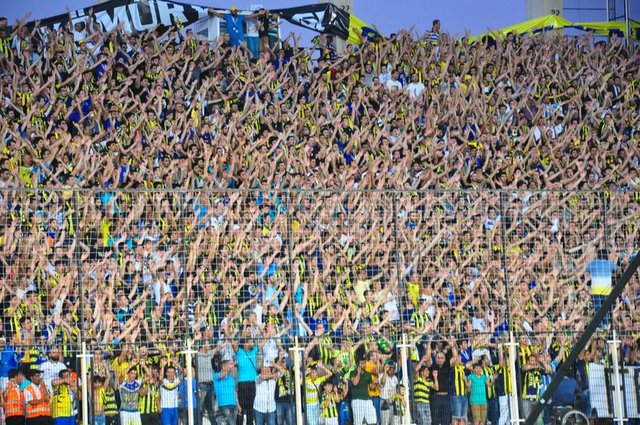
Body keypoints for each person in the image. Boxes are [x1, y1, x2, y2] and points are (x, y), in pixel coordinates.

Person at [586, 248, 618, 327]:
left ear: (598, 255)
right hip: (607, 290)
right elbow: (616, 268)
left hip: (595, 290)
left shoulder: (593, 263)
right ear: (607, 255)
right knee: (605, 309)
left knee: (597, 309)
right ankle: (605, 325)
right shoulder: (610, 264)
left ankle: (599, 326)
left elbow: (587, 269)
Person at [351, 359, 377, 425]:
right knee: (358, 422)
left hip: (367, 399)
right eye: (362, 363)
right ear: (358, 364)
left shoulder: (368, 374)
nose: (364, 365)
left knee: (373, 419)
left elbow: (371, 388)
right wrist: (358, 373)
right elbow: (355, 383)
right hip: (357, 400)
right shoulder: (353, 372)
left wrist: (375, 384)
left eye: (365, 363)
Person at [213, 359, 239, 425]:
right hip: (223, 405)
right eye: (229, 364)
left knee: (233, 423)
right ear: (223, 366)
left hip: (234, 405)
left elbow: (234, 391)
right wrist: (227, 370)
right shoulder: (216, 375)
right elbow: (221, 376)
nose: (231, 366)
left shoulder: (231, 377)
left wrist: (238, 405)